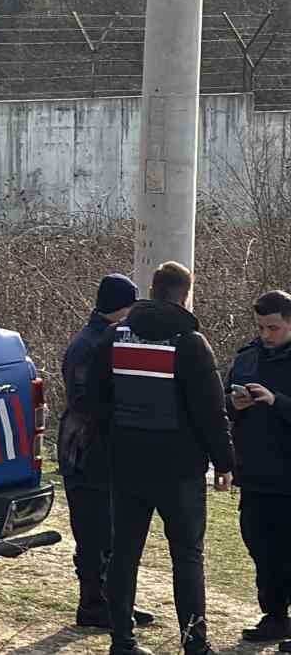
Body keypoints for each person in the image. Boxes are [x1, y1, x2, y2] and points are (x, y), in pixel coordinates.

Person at [86, 261, 235, 655]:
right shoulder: (190, 343)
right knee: (187, 557)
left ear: (151, 291)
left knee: (124, 553)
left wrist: (110, 445)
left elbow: (95, 400)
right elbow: (210, 412)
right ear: (185, 295)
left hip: (127, 465)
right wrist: (224, 462)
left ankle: (122, 641)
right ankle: (194, 645)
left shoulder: (115, 337)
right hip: (179, 470)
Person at [57, 274, 155, 629]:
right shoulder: (91, 345)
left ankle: (114, 601)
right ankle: (93, 605)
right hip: (87, 451)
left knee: (111, 533)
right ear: (120, 308)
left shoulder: (101, 339)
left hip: (98, 449)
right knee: (94, 534)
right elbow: (86, 401)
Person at [226, 290, 291, 644]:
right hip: (255, 473)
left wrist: (275, 401)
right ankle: (275, 616)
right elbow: (221, 403)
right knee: (261, 547)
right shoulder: (247, 358)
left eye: (274, 328)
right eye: (261, 327)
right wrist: (235, 404)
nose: (266, 335)